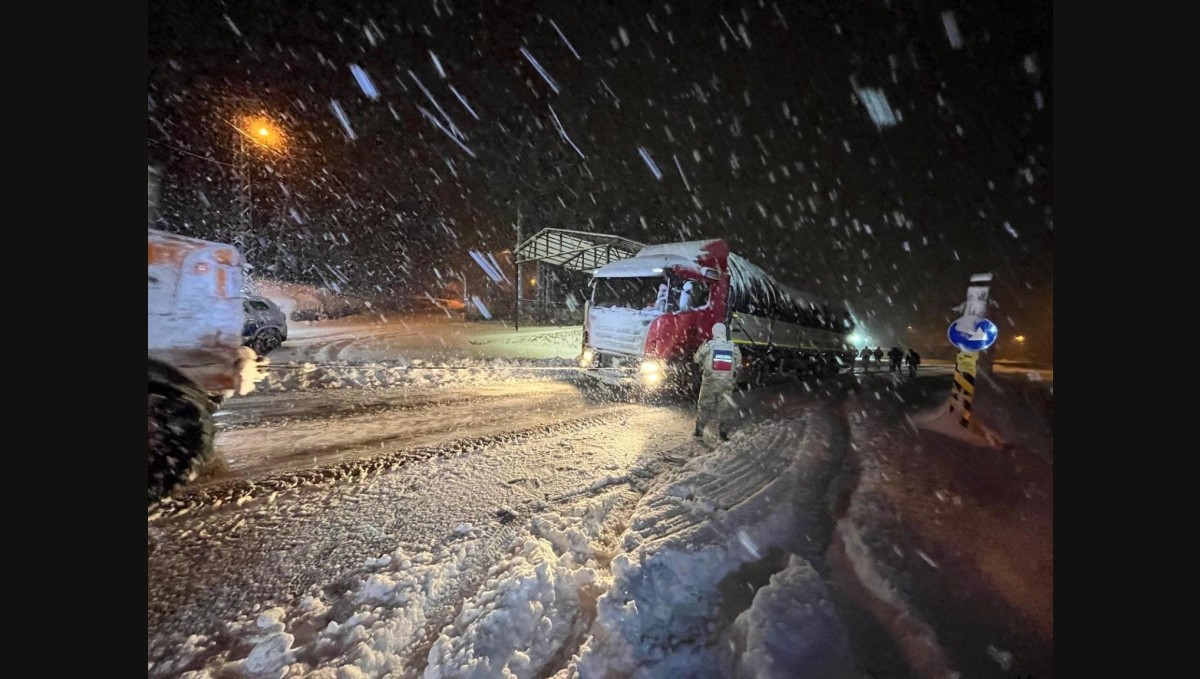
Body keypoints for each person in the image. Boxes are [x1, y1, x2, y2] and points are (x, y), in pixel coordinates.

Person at [693, 322, 742, 441]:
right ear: (724, 332)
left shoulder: (709, 346)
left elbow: (696, 359)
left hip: (710, 382)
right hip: (726, 383)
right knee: (724, 408)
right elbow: (738, 363)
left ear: (714, 332)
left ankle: (699, 431)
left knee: (705, 407)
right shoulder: (733, 347)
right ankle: (723, 434)